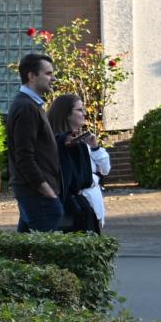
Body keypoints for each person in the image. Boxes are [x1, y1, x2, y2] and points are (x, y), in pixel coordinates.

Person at [7, 52, 62, 233]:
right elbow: (24, 156)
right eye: (48, 73)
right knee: (44, 243)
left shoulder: (30, 104)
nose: (53, 78)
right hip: (36, 193)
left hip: (32, 191)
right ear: (32, 76)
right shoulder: (26, 107)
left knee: (26, 244)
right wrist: (46, 190)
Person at [47, 95, 107, 233]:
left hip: (88, 205)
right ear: (66, 114)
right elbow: (77, 179)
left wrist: (95, 148)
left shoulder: (83, 141)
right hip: (76, 207)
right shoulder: (64, 143)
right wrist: (96, 177)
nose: (84, 113)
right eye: (79, 110)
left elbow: (105, 168)